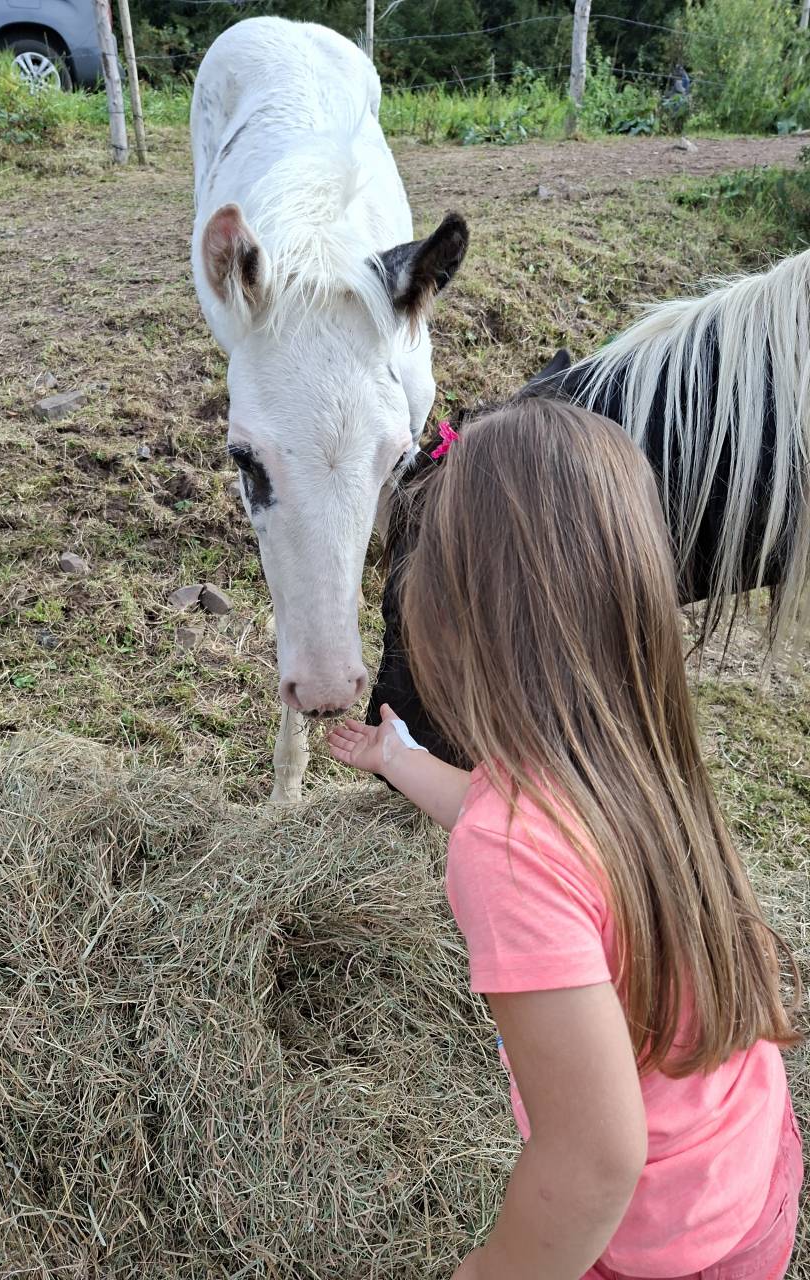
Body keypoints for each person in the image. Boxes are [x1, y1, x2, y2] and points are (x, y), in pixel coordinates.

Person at [327, 400, 804, 1280]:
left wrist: (494, 1270)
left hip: (653, 1252)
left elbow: (593, 1160)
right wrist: (398, 760)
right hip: (750, 1179)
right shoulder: (631, 751)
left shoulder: (506, 860)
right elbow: (500, 805)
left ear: (460, 622)